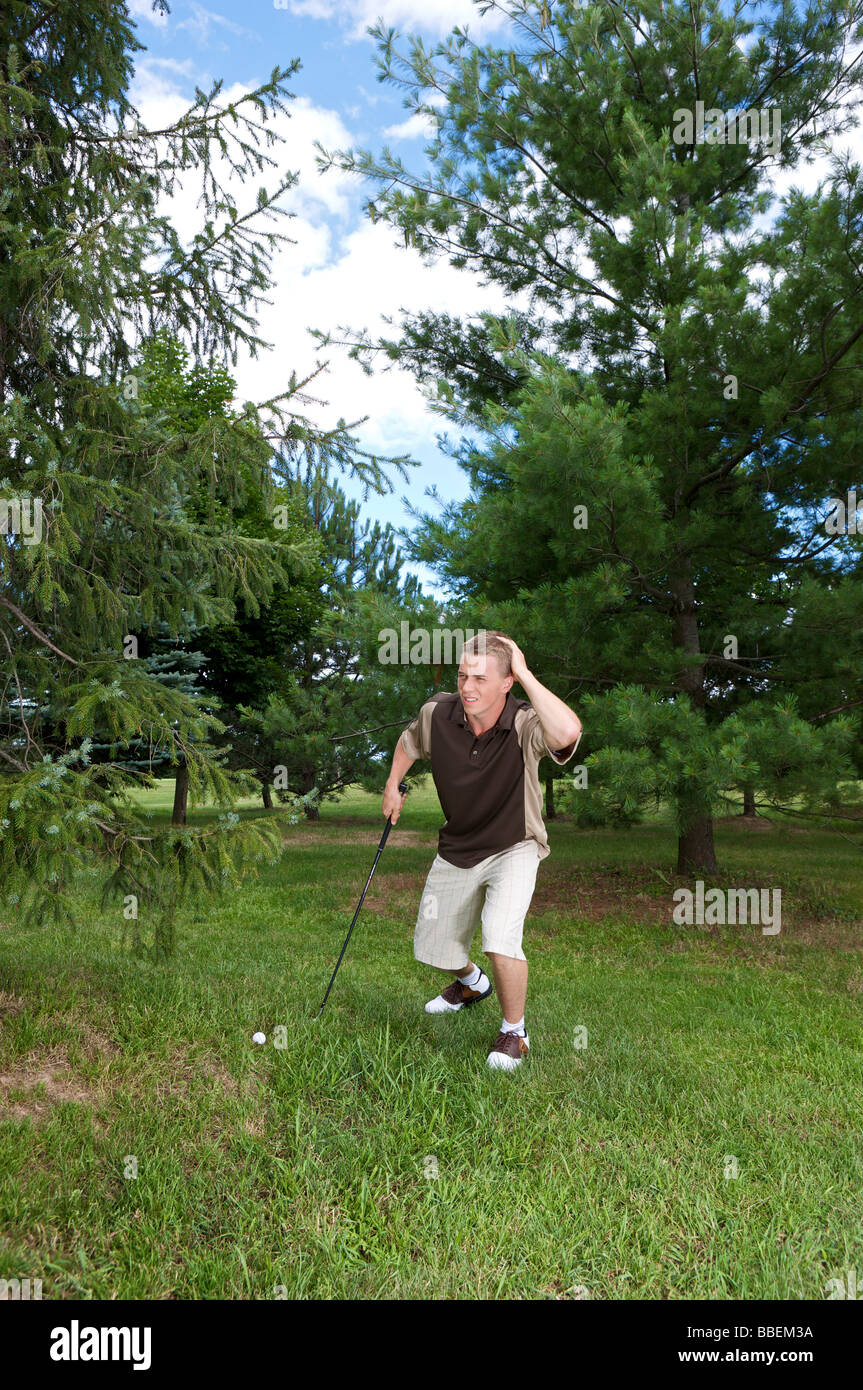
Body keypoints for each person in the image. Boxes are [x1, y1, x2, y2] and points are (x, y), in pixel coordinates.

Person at [382, 631, 582, 1072]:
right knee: (433, 945)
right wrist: (393, 785)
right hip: (458, 845)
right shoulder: (438, 713)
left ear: (507, 682)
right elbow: (408, 742)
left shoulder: (526, 723)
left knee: (499, 934)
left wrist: (525, 671)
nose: (467, 688)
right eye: (461, 676)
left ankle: (515, 1032)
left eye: (480, 678)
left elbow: (568, 731)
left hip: (515, 844)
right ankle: (472, 984)